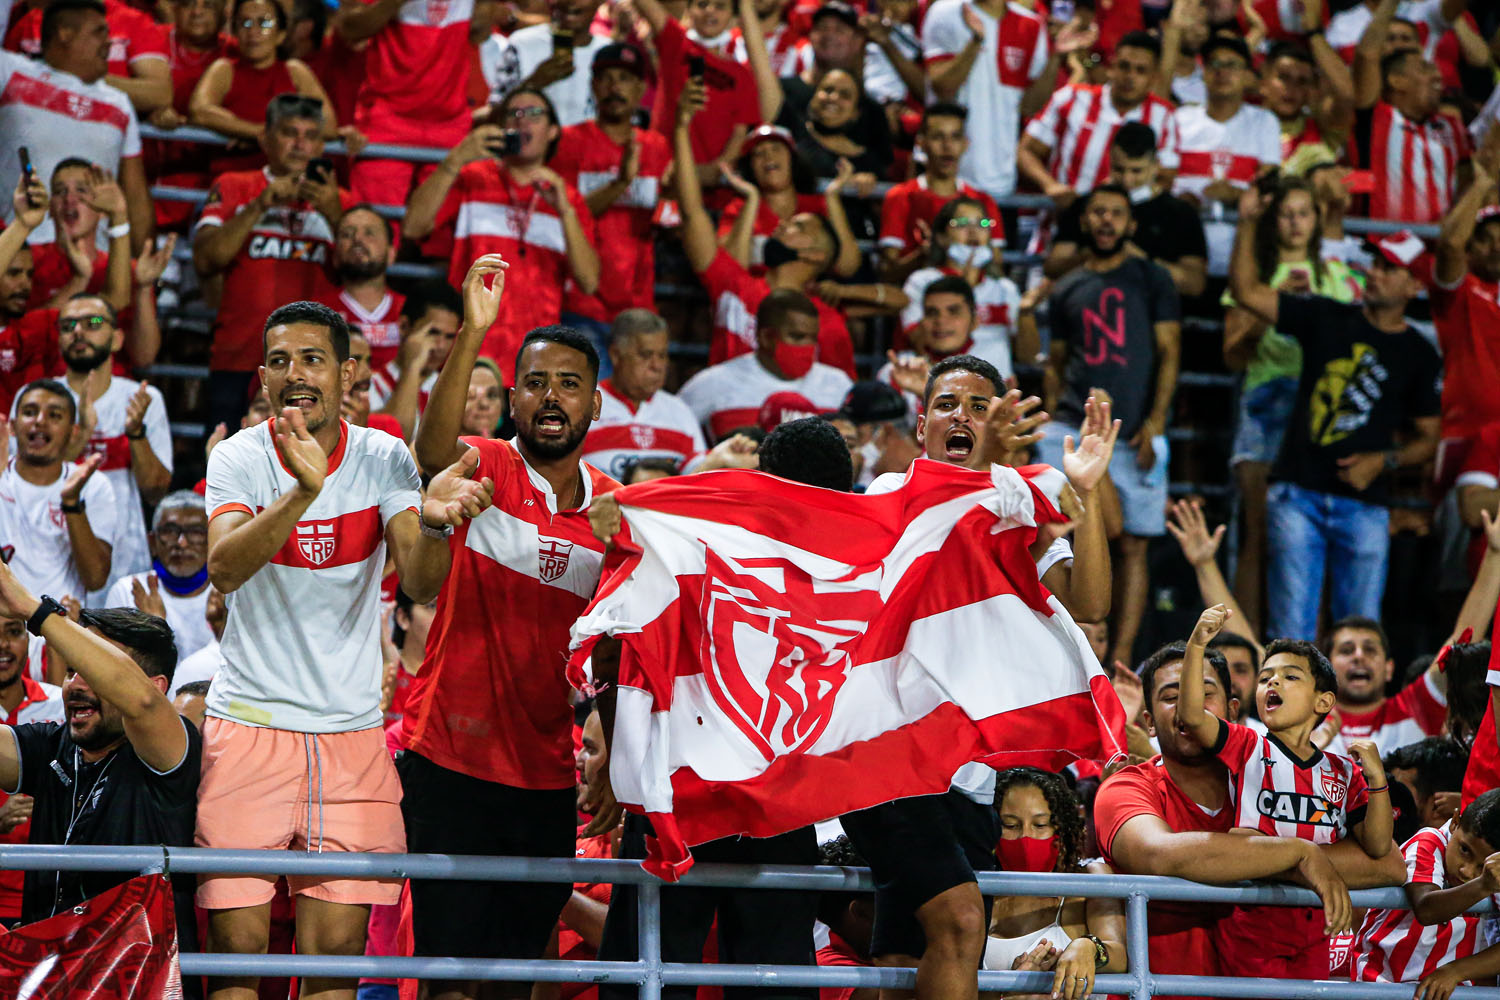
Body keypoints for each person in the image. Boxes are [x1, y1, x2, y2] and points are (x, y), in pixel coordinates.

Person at [198, 299, 493, 1000]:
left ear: (347, 372)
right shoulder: (237, 457)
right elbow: (225, 569)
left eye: (312, 359)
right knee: (236, 967)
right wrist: (302, 493)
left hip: (352, 737)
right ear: (263, 376)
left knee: (333, 969)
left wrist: (440, 525)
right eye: (278, 361)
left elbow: (420, 583)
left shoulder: (384, 456)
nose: (295, 375)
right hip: (248, 728)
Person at [403, 255, 619, 1000]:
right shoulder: (487, 465)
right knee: (449, 982)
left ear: (596, 406)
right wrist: (474, 333)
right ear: (514, 401)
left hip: (547, 778)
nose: (550, 398)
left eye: (569, 384)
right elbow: (431, 454)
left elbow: (620, 650)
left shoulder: (615, 514)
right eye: (535, 383)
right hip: (449, 762)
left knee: (519, 980)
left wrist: (614, 757)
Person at [595, 414, 853, 1000]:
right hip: (767, 796)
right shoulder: (853, 569)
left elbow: (617, 644)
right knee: (767, 980)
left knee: (649, 973)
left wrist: (622, 759)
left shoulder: (692, 534)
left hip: (686, 788)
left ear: (763, 479)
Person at [1094, 641, 1405, 994]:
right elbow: (1159, 855)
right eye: (1170, 696)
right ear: (1148, 722)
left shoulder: (1282, 774)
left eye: (1203, 693)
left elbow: (1388, 864)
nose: (1185, 705)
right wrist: (1300, 855)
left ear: (1230, 710)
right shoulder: (1127, 787)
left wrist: (1262, 857)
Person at [1227, 189, 1441, 641]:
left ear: (1414, 286)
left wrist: (1383, 461)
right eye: (1376, 264)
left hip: (1365, 507)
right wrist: (1247, 224)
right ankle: (1297, 715)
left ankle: (1353, 715)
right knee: (1293, 637)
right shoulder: (1327, 316)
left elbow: (1429, 438)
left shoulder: (1420, 354)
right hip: (1298, 494)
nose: (1375, 274)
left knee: (1358, 637)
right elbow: (1246, 292)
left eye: (1389, 268)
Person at [1177, 605, 1392, 980]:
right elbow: (1194, 716)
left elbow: (1377, 846)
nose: (1272, 684)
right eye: (1265, 678)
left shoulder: (1344, 771)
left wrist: (1377, 780)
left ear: (1323, 701)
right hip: (1251, 919)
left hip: (1317, 927)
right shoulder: (1246, 744)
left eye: (1289, 676)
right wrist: (1195, 647)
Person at [0, 560, 198, 944]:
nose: (74, 685)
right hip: (52, 973)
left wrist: (32, 610)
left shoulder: (169, 749)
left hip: (139, 978)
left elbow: (139, 703)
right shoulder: (53, 746)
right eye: (71, 669)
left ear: (157, 686)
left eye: (93, 670)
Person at [1040, 184, 1180, 667]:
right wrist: (1067, 412)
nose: (1106, 221)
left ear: (1131, 224)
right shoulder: (1066, 287)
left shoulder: (1152, 278)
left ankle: (1120, 661)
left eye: (1116, 214)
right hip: (1073, 430)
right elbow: (1056, 362)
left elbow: (1169, 352)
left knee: (1136, 544)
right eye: (1097, 212)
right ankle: (1061, 649)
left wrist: (1157, 419)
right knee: (1058, 531)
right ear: (1085, 221)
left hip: (1137, 431)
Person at [1221, 177, 1364, 632]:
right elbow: (1232, 354)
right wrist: (1274, 313)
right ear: (1272, 220)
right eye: (1286, 213)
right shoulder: (1255, 275)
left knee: (1315, 538)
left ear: (1317, 218)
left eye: (1304, 212)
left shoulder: (1339, 278)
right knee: (1257, 533)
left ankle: (1313, 654)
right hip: (1265, 404)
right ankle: (1242, 648)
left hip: (1321, 411)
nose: (1296, 222)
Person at [404, 88, 599, 384]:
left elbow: (589, 281)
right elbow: (413, 227)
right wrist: (455, 160)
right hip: (468, 353)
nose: (522, 122)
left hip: (534, 362)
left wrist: (566, 212)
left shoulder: (566, 196)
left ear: (553, 131)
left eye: (533, 113)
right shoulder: (473, 176)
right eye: (513, 114)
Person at [193, 92, 358, 432]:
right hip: (239, 356)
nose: (301, 145)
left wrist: (334, 214)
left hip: (315, 364)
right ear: (265, 138)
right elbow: (206, 258)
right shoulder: (235, 186)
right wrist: (259, 206)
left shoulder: (340, 200)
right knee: (226, 465)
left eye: (311, 136)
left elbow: (362, 273)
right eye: (289, 133)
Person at [673, 78, 855, 377]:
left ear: (814, 255)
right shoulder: (735, 286)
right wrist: (680, 129)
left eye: (798, 225)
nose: (783, 224)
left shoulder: (828, 324)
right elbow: (692, 212)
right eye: (759, 153)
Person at [0, 0, 153, 252]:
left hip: (94, 265)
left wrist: (146, 275)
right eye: (98, 32)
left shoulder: (120, 104)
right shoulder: (10, 73)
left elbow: (135, 196)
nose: (109, 42)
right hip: (19, 258)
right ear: (64, 34)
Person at [549, 43, 673, 348]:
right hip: (580, 302)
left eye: (625, 78)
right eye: (606, 78)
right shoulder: (567, 143)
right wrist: (620, 183)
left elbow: (668, 216)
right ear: (592, 85)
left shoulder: (657, 148)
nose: (615, 87)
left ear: (642, 87)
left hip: (638, 305)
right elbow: (562, 216)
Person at [55, 293, 171, 599]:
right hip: (53, 558)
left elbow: (155, 491)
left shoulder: (144, 400)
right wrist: (81, 437)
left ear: (118, 338)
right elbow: (29, 486)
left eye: (92, 322)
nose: (78, 331)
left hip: (126, 564)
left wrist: (136, 434)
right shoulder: (39, 401)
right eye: (67, 326)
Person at [921, 0, 1090, 205]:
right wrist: (976, 42)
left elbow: (1030, 106)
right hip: (947, 185)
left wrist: (1056, 57)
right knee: (956, 228)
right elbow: (942, 88)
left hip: (1000, 188)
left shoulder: (1031, 25)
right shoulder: (946, 11)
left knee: (987, 227)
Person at [982, 767, 1126, 999]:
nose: (1024, 837)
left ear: (1062, 827)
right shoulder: (979, 890)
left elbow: (1120, 956)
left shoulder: (1089, 877)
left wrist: (1086, 947)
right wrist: (1011, 992)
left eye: (1040, 825)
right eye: (1010, 825)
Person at [1351, 789, 1500, 988]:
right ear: (1455, 821)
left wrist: (1456, 971)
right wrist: (1483, 884)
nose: (1467, 871)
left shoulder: (1496, 870)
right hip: (1381, 982)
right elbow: (1427, 909)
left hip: (1446, 988)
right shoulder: (1428, 842)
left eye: (1481, 867)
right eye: (1464, 850)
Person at [1018, 31, 1180, 208]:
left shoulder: (1165, 116)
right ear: (1111, 66)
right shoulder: (1071, 98)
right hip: (1064, 224)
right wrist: (1050, 185)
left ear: (1154, 77)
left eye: (1140, 70)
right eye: (1124, 66)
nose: (1130, 77)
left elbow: (1166, 177)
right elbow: (1025, 150)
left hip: (1130, 230)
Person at [336, 0, 474, 206]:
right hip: (388, 120)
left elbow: (481, 28)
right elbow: (349, 29)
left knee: (440, 230)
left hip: (449, 122)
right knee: (374, 226)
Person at [1046, 123, 1206, 299]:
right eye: (1119, 169)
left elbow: (1194, 284)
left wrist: (1138, 257)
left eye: (1136, 171)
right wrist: (1098, 253)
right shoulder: (1085, 205)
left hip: (1154, 314)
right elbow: (1053, 268)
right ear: (1109, 161)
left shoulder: (1181, 214)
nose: (1127, 180)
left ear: (1156, 166)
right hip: (1090, 307)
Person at [188, 0, 347, 173]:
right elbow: (199, 112)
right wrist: (258, 133)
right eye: (245, 23)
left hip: (287, 184)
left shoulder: (295, 72)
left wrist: (241, 130)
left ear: (280, 34)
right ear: (235, 33)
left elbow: (328, 127)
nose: (253, 31)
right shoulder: (224, 69)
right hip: (232, 183)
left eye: (264, 23)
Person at [1168, 35, 1280, 276]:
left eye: (1233, 65)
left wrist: (1235, 195)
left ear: (1248, 76)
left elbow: (1271, 191)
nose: (1223, 72)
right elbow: (1160, 179)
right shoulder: (1180, 118)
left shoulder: (1264, 122)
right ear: (1204, 73)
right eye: (1215, 65)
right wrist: (1179, 204)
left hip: (1240, 257)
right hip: (1181, 253)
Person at [1351, 0, 1471, 224]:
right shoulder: (1378, 118)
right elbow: (1367, 55)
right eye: (1425, 69)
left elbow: (1466, 181)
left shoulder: (1452, 126)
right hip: (1382, 251)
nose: (1438, 76)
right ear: (1396, 81)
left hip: (1437, 253)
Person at [678, 290, 853, 442]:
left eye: (813, 338)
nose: (809, 347)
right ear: (766, 337)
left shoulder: (838, 383)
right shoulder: (714, 383)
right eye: (797, 337)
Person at [0, 380, 114, 603]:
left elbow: (95, 578)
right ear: (12, 426)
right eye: (30, 412)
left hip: (61, 627)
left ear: (74, 432)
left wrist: (71, 503)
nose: (40, 421)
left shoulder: (93, 485)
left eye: (54, 415)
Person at [896, 204, 1034, 381]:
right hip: (940, 385)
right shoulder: (922, 281)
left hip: (994, 394)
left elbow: (1027, 357)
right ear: (942, 237)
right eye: (962, 223)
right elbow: (919, 343)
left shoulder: (1005, 288)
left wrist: (1026, 314)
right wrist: (962, 289)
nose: (973, 231)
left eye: (982, 224)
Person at [877, 104, 1002, 284]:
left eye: (955, 137)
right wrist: (923, 255)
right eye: (938, 137)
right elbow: (887, 274)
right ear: (921, 143)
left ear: (966, 144)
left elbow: (996, 265)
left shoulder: (983, 201)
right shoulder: (900, 196)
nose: (947, 146)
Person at [1433, 149, 1500, 485]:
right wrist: (1481, 185)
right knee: (1466, 533)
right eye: (1485, 241)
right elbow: (1449, 246)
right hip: (1468, 435)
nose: (1496, 249)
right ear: (1471, 249)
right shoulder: (1459, 294)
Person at [582, 310, 707, 479]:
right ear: (616, 355)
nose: (657, 366)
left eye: (662, 355)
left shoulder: (680, 412)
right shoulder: (583, 406)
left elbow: (699, 482)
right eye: (646, 355)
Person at [5, 0, 171, 115]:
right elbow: (5, 86)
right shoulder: (30, 22)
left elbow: (159, 94)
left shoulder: (135, 22)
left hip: (108, 140)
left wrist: (75, 75)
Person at [104, 491, 214, 661]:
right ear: (152, 542)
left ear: (212, 540)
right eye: (170, 532)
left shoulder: (226, 593)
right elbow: (112, 666)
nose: (181, 543)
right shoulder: (127, 591)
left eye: (195, 532)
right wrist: (152, 629)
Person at [1319, 617, 1447, 757]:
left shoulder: (1417, 707)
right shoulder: (1305, 720)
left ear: (1389, 669)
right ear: (1327, 669)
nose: (1359, 656)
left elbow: (1463, 637)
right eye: (1346, 651)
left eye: (1370, 650)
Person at [481, 0, 610, 128]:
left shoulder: (609, 52)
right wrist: (534, 83)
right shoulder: (522, 44)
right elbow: (493, 115)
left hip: (589, 146)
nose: (571, 2)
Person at [320, 205, 404, 372]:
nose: (358, 239)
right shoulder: (315, 313)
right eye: (347, 234)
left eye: (370, 233)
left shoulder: (412, 311)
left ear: (392, 254)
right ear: (334, 256)